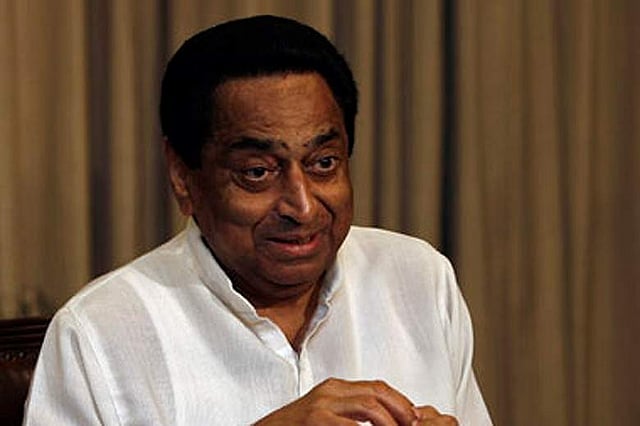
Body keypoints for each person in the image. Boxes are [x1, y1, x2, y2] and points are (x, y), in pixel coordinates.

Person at [24, 15, 492, 425]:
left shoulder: (418, 279)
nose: (302, 207)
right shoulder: (101, 331)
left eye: (324, 163)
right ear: (183, 176)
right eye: (257, 172)